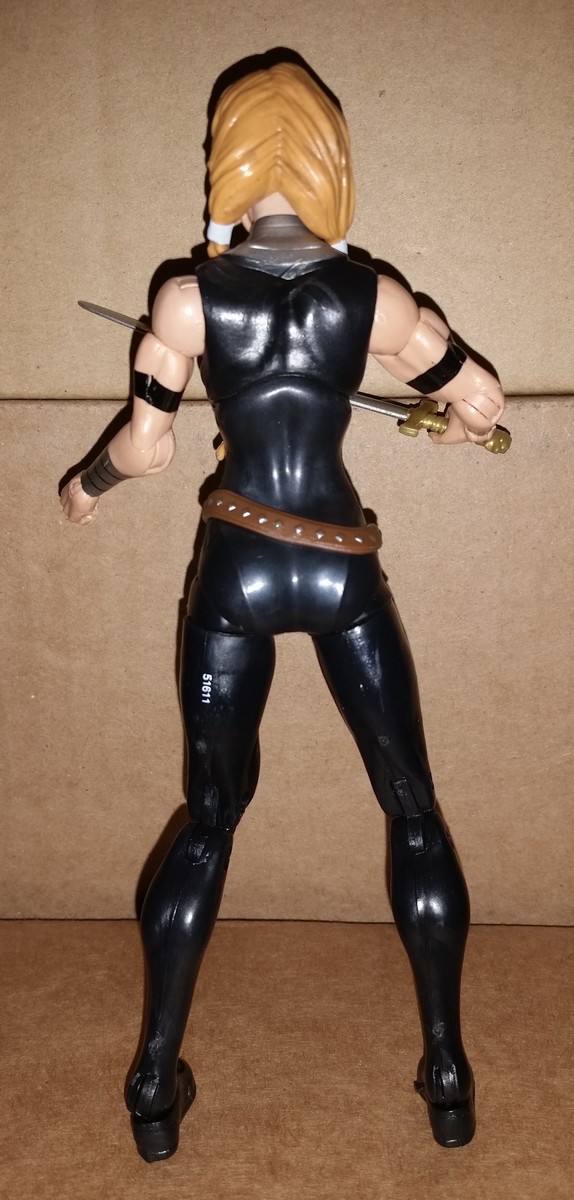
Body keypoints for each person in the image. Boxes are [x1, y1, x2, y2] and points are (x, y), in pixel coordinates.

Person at [61, 61, 504, 1162]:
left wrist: (86, 485)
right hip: (339, 565)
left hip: (239, 567)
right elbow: (479, 397)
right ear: (329, 163)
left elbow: (147, 450)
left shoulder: (186, 299)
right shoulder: (378, 297)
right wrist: (455, 423)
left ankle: (154, 1078)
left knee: (211, 818)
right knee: (413, 809)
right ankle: (448, 1070)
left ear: (226, 165)